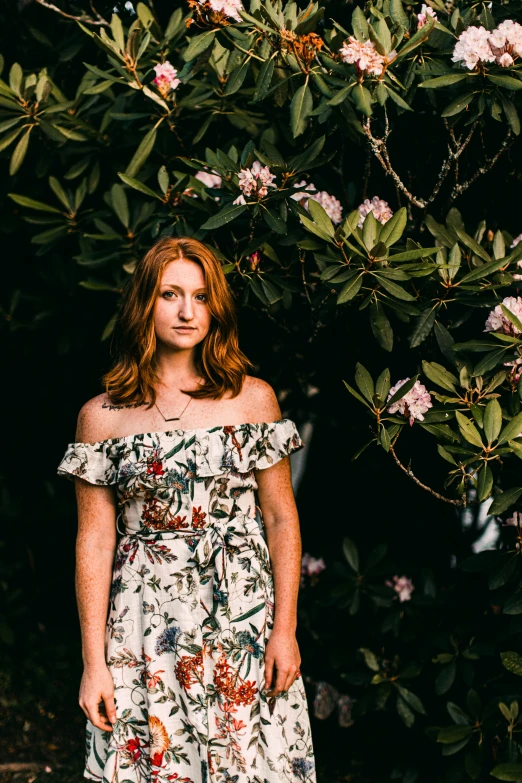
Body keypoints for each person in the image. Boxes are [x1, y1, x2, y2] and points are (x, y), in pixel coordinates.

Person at [56, 237, 316, 783]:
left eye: (199, 297)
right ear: (144, 305)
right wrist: (93, 663)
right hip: (144, 626)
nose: (185, 311)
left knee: (247, 762)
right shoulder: (101, 417)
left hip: (242, 614)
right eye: (170, 294)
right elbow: (95, 542)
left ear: (215, 308)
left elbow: (281, 518)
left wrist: (285, 629)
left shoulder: (254, 400)